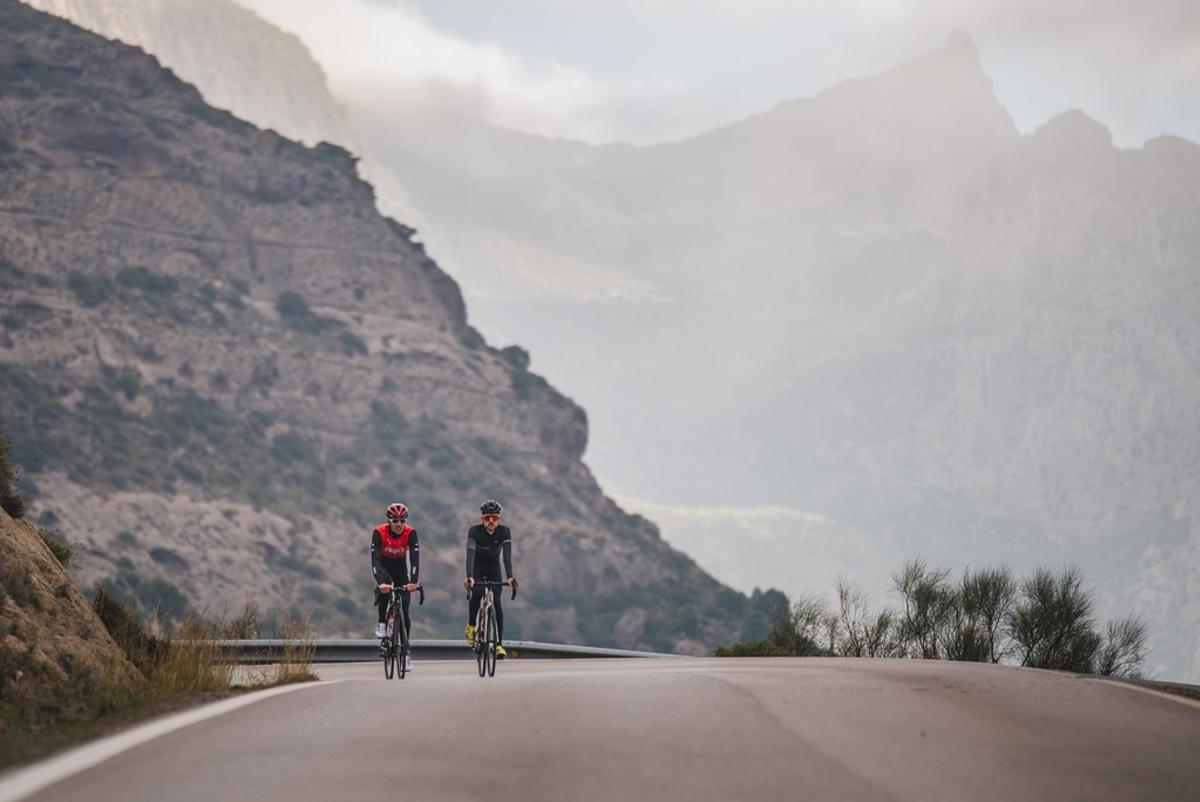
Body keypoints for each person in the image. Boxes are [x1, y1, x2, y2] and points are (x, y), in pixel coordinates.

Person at [464, 499, 518, 657]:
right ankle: (472, 626)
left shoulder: (504, 532)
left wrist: (509, 577)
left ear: (499, 519)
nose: (491, 521)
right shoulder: (474, 532)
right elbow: (470, 555)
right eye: (488, 518)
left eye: (494, 518)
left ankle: (499, 644)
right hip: (477, 568)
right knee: (478, 592)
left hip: (494, 568)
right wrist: (469, 576)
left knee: (497, 602)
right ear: (482, 519)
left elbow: (507, 556)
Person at [371, 502, 420, 672]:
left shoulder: (411, 533)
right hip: (384, 567)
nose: (399, 525)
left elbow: (415, 559)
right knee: (386, 589)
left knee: (405, 609)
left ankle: (405, 654)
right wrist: (380, 582)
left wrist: (413, 581)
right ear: (389, 520)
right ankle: (382, 623)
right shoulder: (379, 532)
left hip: (400, 568)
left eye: (402, 521)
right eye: (395, 521)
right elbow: (375, 561)